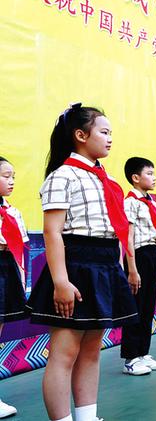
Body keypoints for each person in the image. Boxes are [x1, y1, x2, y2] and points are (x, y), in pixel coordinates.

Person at [27, 104, 138, 421]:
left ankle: (88, 417)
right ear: (80, 135)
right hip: (75, 266)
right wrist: (61, 281)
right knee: (64, 353)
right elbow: (52, 232)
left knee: (91, 350)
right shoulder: (62, 176)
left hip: (104, 265)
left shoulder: (107, 179)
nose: (110, 138)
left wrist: (122, 268)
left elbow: (116, 229)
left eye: (110, 133)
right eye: (104, 132)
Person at [120, 157, 156, 376]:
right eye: (149, 173)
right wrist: (132, 269)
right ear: (135, 177)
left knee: (148, 306)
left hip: (152, 254)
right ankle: (130, 357)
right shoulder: (130, 202)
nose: (154, 177)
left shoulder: (152, 203)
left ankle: (143, 353)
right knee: (136, 306)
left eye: (154, 173)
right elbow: (128, 238)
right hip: (137, 255)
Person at [0, 156, 29, 418]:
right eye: (5, 176)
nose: (11, 181)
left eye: (13, 177)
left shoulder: (12, 211)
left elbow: (19, 247)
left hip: (6, 265)